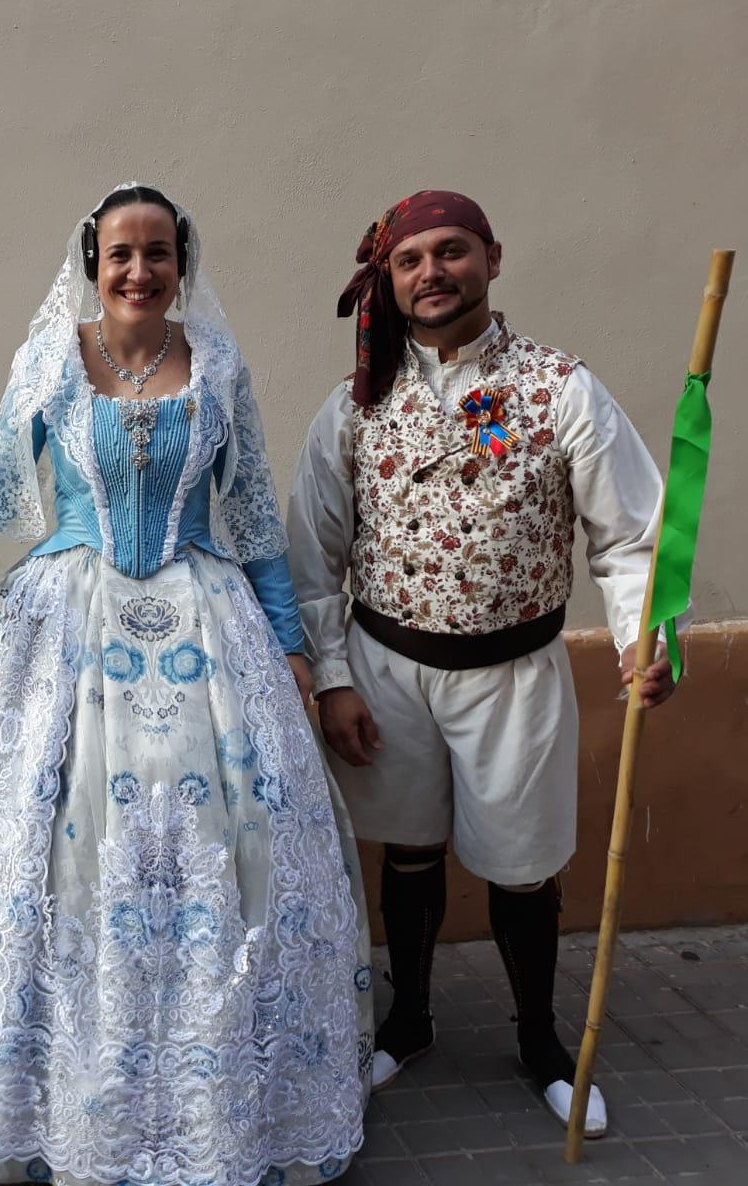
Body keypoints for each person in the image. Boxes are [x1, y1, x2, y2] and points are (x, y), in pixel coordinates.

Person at [0, 184, 371, 1186]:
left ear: (180, 264)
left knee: (224, 846)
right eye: (120, 253)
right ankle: (64, 1098)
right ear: (92, 262)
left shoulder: (220, 364)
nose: (138, 271)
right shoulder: (52, 359)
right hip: (65, 625)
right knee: (64, 855)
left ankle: (221, 1100)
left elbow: (248, 519)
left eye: (156, 253)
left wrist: (291, 646)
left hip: (206, 625)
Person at [287, 190, 681, 1137]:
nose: (433, 272)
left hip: (517, 674)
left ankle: (543, 1041)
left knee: (523, 866)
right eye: (411, 258)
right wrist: (333, 676)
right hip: (387, 669)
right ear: (390, 278)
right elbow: (314, 554)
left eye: (451, 251)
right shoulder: (356, 405)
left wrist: (643, 635)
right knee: (410, 849)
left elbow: (630, 538)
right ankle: (410, 1021)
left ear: (493, 259)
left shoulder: (560, 388)